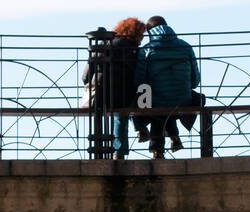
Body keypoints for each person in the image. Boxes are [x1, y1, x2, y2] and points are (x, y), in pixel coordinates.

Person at [133, 16, 200, 158]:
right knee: (168, 102)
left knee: (157, 105)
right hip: (183, 101)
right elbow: (195, 82)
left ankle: (157, 151)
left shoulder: (146, 50)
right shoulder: (186, 47)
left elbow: (140, 82)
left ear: (150, 33)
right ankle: (174, 138)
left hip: (157, 102)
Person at [82, 17, 147, 159]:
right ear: (135, 34)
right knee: (122, 116)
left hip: (100, 95)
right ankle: (120, 153)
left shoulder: (102, 44)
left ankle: (101, 150)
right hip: (125, 96)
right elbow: (140, 77)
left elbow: (85, 77)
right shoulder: (136, 51)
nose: (142, 39)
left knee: (104, 114)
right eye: (141, 35)